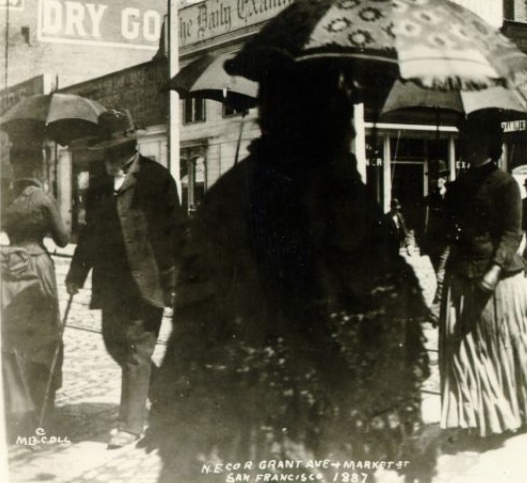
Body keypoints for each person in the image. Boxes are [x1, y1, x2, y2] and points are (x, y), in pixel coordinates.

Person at [147, 67, 432, 482]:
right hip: (327, 415)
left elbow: (192, 323)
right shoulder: (338, 192)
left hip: (253, 418)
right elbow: (388, 305)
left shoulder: (228, 194)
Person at [65, 109, 184, 449]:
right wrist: (77, 273)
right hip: (111, 282)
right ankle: (167, 393)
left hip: (149, 281)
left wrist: (175, 279)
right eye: (105, 150)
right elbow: (89, 234)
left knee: (135, 348)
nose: (109, 157)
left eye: (115, 149)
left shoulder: (157, 179)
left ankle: (130, 425)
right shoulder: (99, 183)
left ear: (129, 146)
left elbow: (175, 233)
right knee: (113, 342)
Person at [440, 110, 527, 438]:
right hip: (462, 274)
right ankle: (478, 412)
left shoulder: (506, 184)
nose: (466, 146)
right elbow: (449, 232)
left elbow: (512, 233)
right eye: (465, 141)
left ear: (486, 145)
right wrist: (440, 213)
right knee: (463, 349)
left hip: (499, 278)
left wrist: (494, 269)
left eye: (472, 141)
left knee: (504, 344)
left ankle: (514, 408)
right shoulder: (457, 185)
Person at [2, 146, 70, 439]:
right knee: (44, 338)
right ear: (37, 168)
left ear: (15, 167)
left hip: (7, 269)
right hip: (37, 267)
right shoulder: (42, 199)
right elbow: (63, 239)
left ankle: (17, 411)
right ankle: (44, 414)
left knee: (13, 339)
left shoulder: (4, 197)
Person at [420, 159, 452, 319]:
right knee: (439, 277)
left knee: (441, 276)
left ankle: (435, 311)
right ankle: (445, 308)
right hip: (432, 244)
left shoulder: (451, 197)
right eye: (433, 177)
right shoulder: (428, 199)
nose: (435, 180)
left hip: (446, 243)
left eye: (438, 177)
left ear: (444, 179)